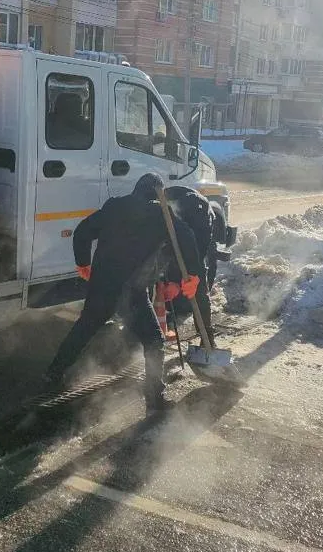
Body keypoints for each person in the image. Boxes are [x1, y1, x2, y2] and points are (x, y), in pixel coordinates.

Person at [44, 173, 204, 412]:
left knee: (84, 328)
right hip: (131, 290)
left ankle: (53, 374)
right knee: (153, 340)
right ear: (158, 194)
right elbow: (187, 239)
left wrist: (83, 264)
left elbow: (83, 232)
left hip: (101, 284)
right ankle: (154, 398)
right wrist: (194, 273)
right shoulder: (161, 216)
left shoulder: (114, 206)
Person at [163, 186, 220, 338]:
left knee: (199, 288)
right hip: (175, 225)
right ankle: (156, 330)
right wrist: (169, 280)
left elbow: (197, 253)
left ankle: (206, 336)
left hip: (199, 230)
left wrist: (192, 277)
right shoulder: (159, 213)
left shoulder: (199, 216)